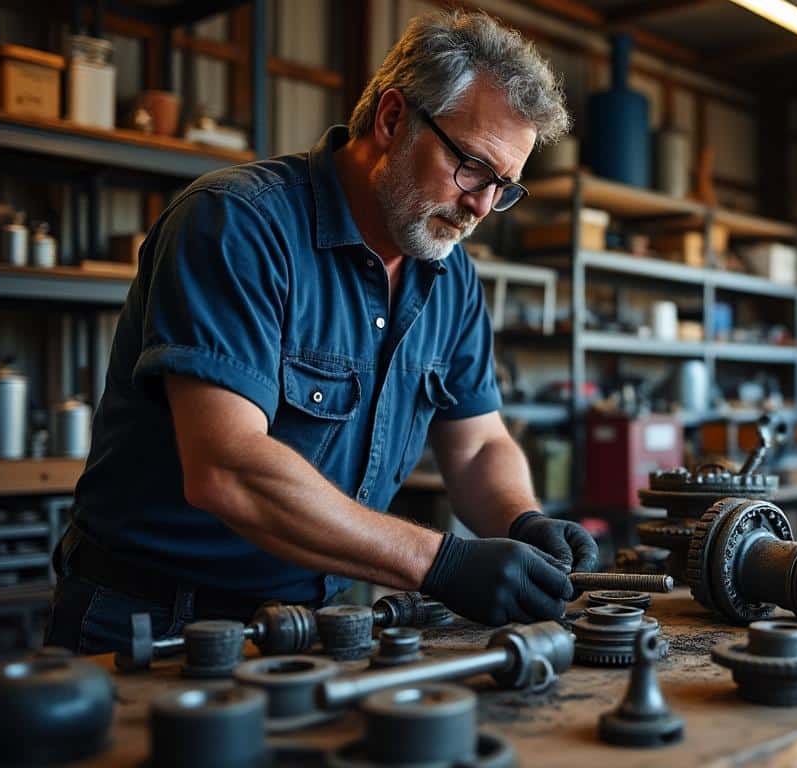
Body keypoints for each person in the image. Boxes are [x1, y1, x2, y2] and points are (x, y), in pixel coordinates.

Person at [45, 10, 597, 654]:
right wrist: (438, 562)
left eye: (503, 187)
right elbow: (227, 466)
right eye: (473, 167)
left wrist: (520, 520)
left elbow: (476, 445)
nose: (480, 206)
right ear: (393, 120)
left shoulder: (451, 276)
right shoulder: (237, 225)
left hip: (315, 627)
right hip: (153, 622)